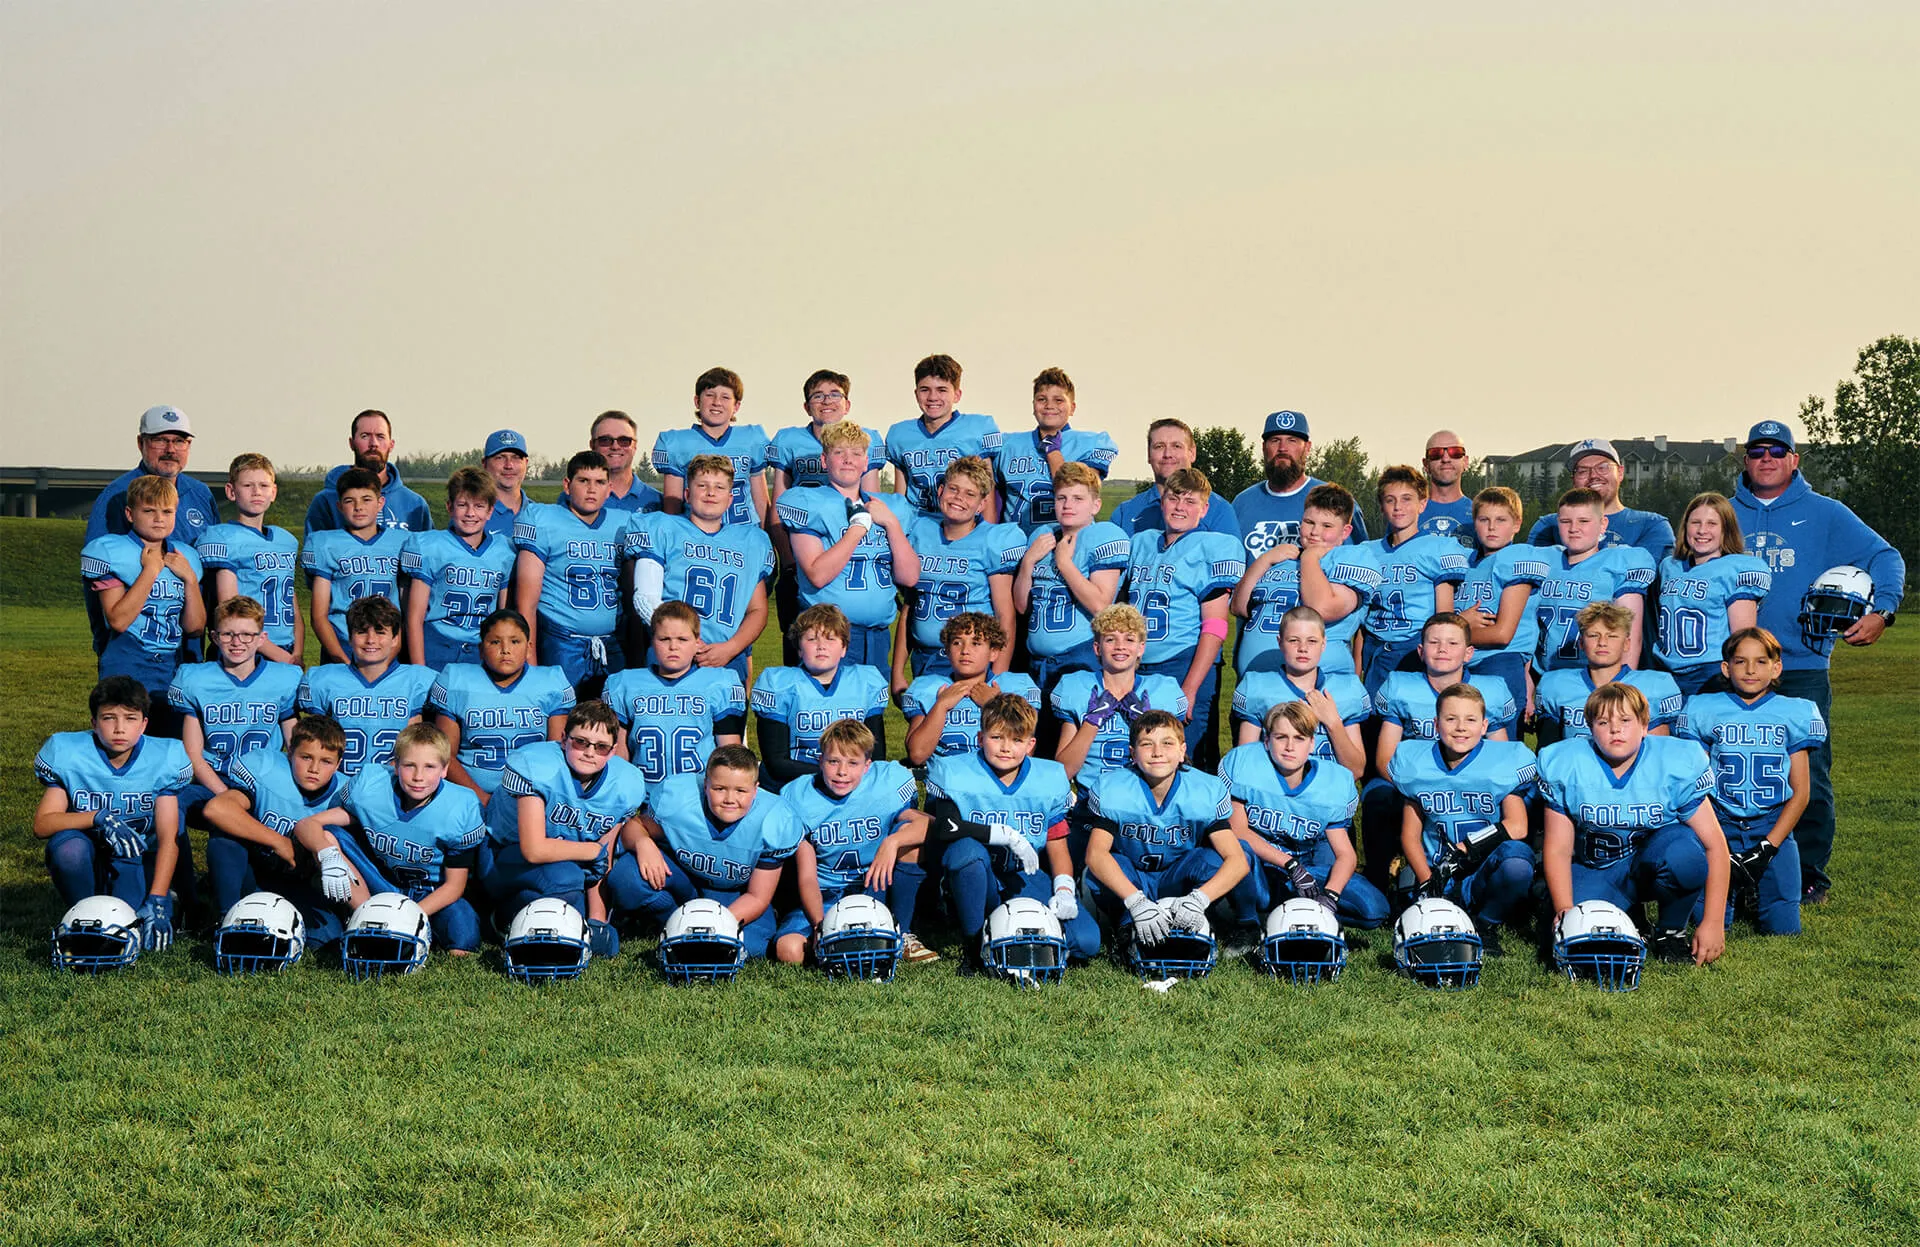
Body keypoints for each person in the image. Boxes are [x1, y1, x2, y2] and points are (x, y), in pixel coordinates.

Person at [1729, 418, 1905, 904]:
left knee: (1808, 772)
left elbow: (1885, 556)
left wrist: (1883, 611)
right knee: (1726, 767)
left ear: (1793, 459)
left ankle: (1808, 875)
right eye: (1757, 451)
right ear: (1746, 459)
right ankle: (1729, 872)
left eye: (1777, 451)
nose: (1767, 459)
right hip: (1729, 663)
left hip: (1800, 661)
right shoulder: (1722, 513)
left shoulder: (1824, 513)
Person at [1539, 683, 1729, 966]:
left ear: (1644, 725)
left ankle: (1671, 932)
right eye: (1604, 722)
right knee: (1567, 936)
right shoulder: (1567, 763)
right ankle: (1632, 915)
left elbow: (1715, 845)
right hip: (1597, 868)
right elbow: (1558, 847)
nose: (1616, 730)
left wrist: (1713, 922)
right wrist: (1565, 908)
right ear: (1590, 727)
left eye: (1625, 720)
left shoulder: (1675, 761)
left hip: (1651, 867)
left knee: (1684, 852)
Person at [924, 694, 1097, 971]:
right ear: (980, 738)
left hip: (1022, 875)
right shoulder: (954, 770)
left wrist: (1064, 888)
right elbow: (946, 827)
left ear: (1031, 745)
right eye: (997, 738)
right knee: (968, 853)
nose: (1006, 748)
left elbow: (1056, 843)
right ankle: (972, 946)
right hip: (973, 873)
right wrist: (1002, 834)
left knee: (1086, 942)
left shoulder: (1048, 778)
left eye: (1016, 740)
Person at [1677, 628, 1826, 937]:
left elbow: (1800, 794)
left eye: (1760, 662)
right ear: (1725, 667)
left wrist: (1769, 847)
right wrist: (1713, 838)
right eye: (1740, 661)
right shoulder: (1704, 708)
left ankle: (1758, 887)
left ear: (1776, 668)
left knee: (1784, 927)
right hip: (1720, 820)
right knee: (1711, 920)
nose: (1750, 670)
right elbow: (1697, 783)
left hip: (1772, 823)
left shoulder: (1795, 712)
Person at [296, 722, 486, 956]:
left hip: (430, 891)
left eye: (429, 767)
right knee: (330, 836)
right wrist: (326, 855)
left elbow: (454, 886)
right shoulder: (371, 786)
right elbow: (308, 824)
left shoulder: (461, 806)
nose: (418, 777)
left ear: (445, 769)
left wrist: (405, 916)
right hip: (381, 882)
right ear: (395, 765)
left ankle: (400, 926)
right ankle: (365, 916)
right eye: (409, 766)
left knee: (463, 942)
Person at [606, 745, 804, 962]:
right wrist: (643, 842)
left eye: (741, 791)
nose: (730, 798)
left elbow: (758, 896)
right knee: (626, 878)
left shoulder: (773, 820)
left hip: (733, 895)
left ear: (756, 790)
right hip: (685, 882)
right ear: (705, 784)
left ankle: (684, 929)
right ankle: (669, 921)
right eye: (719, 788)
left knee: (752, 946)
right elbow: (635, 826)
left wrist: (716, 924)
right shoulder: (679, 800)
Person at [33, 677, 193, 943]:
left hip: (136, 854)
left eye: (130, 718)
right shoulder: (68, 752)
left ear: (144, 724)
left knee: (132, 922)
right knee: (69, 852)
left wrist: (157, 898)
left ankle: (154, 895)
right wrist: (97, 817)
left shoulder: (166, 756)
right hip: (86, 848)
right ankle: (81, 913)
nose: (119, 729)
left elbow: (168, 839)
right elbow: (43, 824)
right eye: (109, 718)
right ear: (94, 722)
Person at [482, 701, 648, 955]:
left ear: (613, 751)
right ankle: (504, 918)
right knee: (566, 878)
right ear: (563, 739)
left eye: (601, 747)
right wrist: (591, 851)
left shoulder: (626, 783)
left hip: (570, 863)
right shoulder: (537, 765)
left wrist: (597, 920)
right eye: (581, 742)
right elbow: (534, 850)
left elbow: (603, 859)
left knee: (593, 933)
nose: (590, 752)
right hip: (504, 856)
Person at [1220, 701, 1386, 946]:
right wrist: (1289, 864)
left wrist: (1330, 895)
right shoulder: (1245, 764)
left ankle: (1307, 917)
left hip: (1306, 872)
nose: (1289, 746)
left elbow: (1346, 855)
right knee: (1239, 853)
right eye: (1280, 737)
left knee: (1373, 910)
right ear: (1266, 741)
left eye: (1299, 738)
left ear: (1312, 744)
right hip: (1258, 870)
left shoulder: (1333, 782)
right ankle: (1249, 924)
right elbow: (1238, 831)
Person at [1082, 710, 1248, 955]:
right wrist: (1135, 902)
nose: (1157, 752)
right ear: (1132, 754)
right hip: (1133, 876)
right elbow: (1095, 855)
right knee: (1109, 864)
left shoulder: (1204, 790)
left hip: (1177, 877)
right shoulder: (1114, 788)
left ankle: (1239, 923)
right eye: (1147, 744)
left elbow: (1238, 861)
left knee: (1214, 859)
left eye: (1167, 743)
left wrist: (1200, 898)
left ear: (1182, 751)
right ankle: (1127, 929)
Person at [1390, 684, 1537, 955]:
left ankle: (1485, 923)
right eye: (1451, 719)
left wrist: (1466, 849)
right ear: (1435, 724)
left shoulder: (1503, 761)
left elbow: (1518, 826)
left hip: (1482, 873)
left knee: (1517, 861)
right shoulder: (1416, 764)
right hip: (1436, 872)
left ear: (1484, 727)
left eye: (1470, 720)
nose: (1460, 727)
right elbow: (1410, 835)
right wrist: (1426, 881)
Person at [775, 720, 933, 965]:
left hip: (875, 886)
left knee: (910, 838)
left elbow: (929, 824)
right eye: (833, 761)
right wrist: (819, 926)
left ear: (867, 765)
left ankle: (902, 931)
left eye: (853, 763)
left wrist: (892, 842)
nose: (842, 772)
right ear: (820, 761)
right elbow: (807, 876)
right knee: (789, 950)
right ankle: (851, 939)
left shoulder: (886, 784)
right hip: (828, 894)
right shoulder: (798, 796)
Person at [777, 420, 920, 673]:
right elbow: (817, 574)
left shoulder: (890, 507)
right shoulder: (808, 501)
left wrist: (891, 524)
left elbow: (909, 577)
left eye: (856, 453)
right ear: (824, 460)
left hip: (876, 636)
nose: (848, 459)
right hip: (827, 635)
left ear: (866, 462)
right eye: (839, 452)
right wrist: (857, 530)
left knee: (872, 712)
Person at [1124, 468, 1246, 761]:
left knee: (1183, 759)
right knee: (1142, 756)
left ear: (1204, 509)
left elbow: (1215, 626)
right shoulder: (1141, 543)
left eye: (1190, 501)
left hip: (1183, 663)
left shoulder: (1213, 547)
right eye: (1173, 498)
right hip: (1137, 667)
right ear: (1162, 501)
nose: (1180, 507)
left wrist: (1189, 688)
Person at [625, 453, 777, 687]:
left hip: (727, 656)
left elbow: (757, 610)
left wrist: (731, 648)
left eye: (719, 487)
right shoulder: (663, 528)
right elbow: (646, 598)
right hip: (672, 657)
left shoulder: (751, 541)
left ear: (730, 498)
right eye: (702, 485)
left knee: (727, 723)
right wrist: (686, 643)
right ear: (687, 493)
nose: (710, 493)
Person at [200, 715, 351, 944]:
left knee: (325, 938)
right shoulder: (267, 768)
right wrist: (279, 841)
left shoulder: (345, 793)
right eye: (306, 757)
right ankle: (226, 918)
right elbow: (217, 809)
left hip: (299, 882)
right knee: (225, 837)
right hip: (252, 871)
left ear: (338, 764)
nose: (314, 768)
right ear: (290, 753)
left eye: (326, 761)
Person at [768, 371, 886, 653]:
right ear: (807, 406)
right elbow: (776, 511)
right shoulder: (790, 440)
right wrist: (788, 561)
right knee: (802, 642)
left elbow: (871, 503)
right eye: (817, 395)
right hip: (803, 547)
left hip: (849, 547)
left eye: (835, 394)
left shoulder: (864, 440)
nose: (826, 400)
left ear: (847, 404)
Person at [168, 596, 302, 822]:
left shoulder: (284, 678)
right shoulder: (196, 680)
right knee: (169, 803)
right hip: (213, 779)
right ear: (214, 637)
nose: (237, 642)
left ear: (262, 639)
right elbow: (194, 754)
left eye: (247, 634)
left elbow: (294, 745)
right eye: (228, 634)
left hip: (264, 780)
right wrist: (225, 794)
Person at [896, 456, 1024, 686]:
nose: (959, 498)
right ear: (941, 490)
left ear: (982, 504)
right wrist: (897, 672)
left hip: (971, 660)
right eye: (953, 489)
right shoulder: (920, 530)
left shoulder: (992, 540)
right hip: (924, 656)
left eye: (970, 494)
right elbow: (909, 607)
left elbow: (1006, 614)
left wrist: (999, 675)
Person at [1231, 482, 1378, 680]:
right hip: (1256, 684)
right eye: (1309, 522)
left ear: (1345, 532)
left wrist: (1309, 557)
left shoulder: (1349, 558)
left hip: (1315, 687)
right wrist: (1264, 560)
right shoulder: (1283, 558)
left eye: (1327, 526)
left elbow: (1322, 608)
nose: (1315, 532)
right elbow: (1239, 607)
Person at [429, 609, 574, 806]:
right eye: (495, 642)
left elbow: (555, 754)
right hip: (469, 796)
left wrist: (529, 801)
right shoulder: (456, 680)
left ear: (529, 648)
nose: (505, 649)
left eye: (515, 641)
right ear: (480, 649)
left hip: (533, 797)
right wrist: (481, 799)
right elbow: (445, 755)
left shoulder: (551, 682)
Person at [82, 473, 205, 700]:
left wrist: (189, 579)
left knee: (171, 733)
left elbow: (195, 627)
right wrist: (150, 571)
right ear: (130, 514)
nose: (159, 518)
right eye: (149, 511)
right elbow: (118, 621)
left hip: (172, 663)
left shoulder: (185, 556)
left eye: (167, 511)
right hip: (128, 659)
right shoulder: (111, 551)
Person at [513, 449, 627, 691]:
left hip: (611, 642)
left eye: (599, 482)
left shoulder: (624, 523)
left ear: (609, 488)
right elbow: (527, 603)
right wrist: (529, 659)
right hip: (561, 641)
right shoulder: (542, 519)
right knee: (559, 717)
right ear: (567, 485)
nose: (591, 489)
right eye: (583, 481)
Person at [1014, 463, 1130, 697]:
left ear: (1095, 505)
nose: (1068, 505)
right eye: (1061, 498)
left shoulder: (1103, 535)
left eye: (1078, 498)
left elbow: (1101, 605)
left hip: (1079, 659)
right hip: (1038, 662)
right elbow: (1021, 606)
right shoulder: (1042, 536)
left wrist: (1064, 563)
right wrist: (1027, 563)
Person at [601, 601, 746, 785]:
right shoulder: (625, 684)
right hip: (642, 795)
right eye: (664, 639)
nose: (673, 646)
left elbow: (730, 750)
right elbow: (619, 754)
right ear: (652, 641)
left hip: (698, 795)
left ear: (697, 642)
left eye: (682, 639)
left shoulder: (718, 683)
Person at [750, 605, 892, 787]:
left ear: (844, 648)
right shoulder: (779, 685)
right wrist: (833, 775)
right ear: (799, 648)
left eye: (831, 639)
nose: (821, 646)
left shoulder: (865, 682)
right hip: (793, 787)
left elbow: (876, 756)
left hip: (851, 786)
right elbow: (777, 763)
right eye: (811, 639)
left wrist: (844, 778)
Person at [1356, 466, 1468, 694]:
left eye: (1407, 499)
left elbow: (1443, 616)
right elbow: (1362, 617)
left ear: (1422, 504)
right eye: (1390, 500)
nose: (1398, 507)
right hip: (1374, 647)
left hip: (1413, 648)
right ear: (1381, 506)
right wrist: (1356, 667)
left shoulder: (1437, 547)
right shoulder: (1367, 551)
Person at [297, 596, 437, 776]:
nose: (371, 640)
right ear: (350, 638)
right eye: (362, 631)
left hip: (395, 784)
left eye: (380, 632)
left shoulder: (418, 680)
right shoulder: (324, 680)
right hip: (337, 782)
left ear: (395, 638)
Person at [1052, 605, 1189, 787]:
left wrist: (1145, 723)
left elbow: (1177, 762)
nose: (1120, 647)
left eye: (1129, 639)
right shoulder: (1077, 687)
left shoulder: (1162, 690)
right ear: (1097, 648)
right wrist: (1092, 721)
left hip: (1144, 795)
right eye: (1110, 639)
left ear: (1141, 648)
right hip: (1091, 799)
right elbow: (1063, 771)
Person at [1228, 606, 1369, 777]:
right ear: (1280, 642)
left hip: (1327, 794)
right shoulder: (1258, 687)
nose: (1303, 648)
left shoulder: (1346, 689)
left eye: (1312, 641)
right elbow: (1246, 764)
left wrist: (1333, 723)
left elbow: (1356, 770)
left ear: (1323, 644)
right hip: (1274, 793)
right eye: (1294, 640)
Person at [1452, 487, 1548, 737]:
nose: (1491, 527)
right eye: (1484, 519)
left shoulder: (1516, 558)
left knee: (1500, 746)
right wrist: (1461, 624)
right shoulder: (1465, 562)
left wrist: (1456, 632)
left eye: (1501, 520)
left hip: (1499, 661)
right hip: (1462, 662)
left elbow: (1503, 634)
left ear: (1517, 524)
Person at [1654, 492, 1772, 697]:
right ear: (1685, 526)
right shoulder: (1669, 566)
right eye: (1695, 522)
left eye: (1711, 524)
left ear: (1726, 529)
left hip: (1711, 672)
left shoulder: (1736, 568)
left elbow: (1742, 639)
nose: (1702, 531)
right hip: (1666, 671)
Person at [1531, 488, 1656, 674]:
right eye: (1566, 521)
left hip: (1595, 674)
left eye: (1584, 521)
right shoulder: (1543, 560)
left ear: (1603, 524)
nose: (1574, 528)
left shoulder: (1619, 563)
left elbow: (1631, 636)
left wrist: (1619, 686)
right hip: (1544, 675)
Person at [403, 468, 514, 672]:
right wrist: (419, 669)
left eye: (479, 506)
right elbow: (414, 616)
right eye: (462, 505)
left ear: (490, 511)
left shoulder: (504, 551)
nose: (470, 513)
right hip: (437, 644)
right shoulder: (431, 546)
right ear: (449, 507)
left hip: (483, 648)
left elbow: (504, 615)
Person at [199, 453, 302, 664]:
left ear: (273, 492)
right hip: (244, 649)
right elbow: (230, 609)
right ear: (231, 491)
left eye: (264, 486)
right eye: (248, 485)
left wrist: (297, 653)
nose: (257, 492)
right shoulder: (222, 537)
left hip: (287, 647)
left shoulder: (286, 541)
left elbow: (293, 605)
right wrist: (281, 656)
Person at [1535, 602, 1683, 747]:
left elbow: (1656, 753)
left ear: (1626, 644)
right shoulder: (1557, 685)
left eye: (1611, 636)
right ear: (1581, 643)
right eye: (1593, 635)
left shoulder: (1655, 687)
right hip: (1577, 769)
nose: (1602, 642)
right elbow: (1550, 752)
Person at [902, 613, 1043, 765]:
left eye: (976, 643)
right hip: (948, 780)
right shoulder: (931, 688)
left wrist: (997, 705)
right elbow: (917, 755)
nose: (965, 651)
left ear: (993, 652)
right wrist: (941, 706)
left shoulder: (1014, 687)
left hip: (997, 779)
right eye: (957, 643)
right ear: (947, 651)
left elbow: (1026, 752)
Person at [1231, 409, 1368, 562]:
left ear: (1308, 447)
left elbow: (1358, 565)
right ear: (1264, 447)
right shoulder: (1242, 503)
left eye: (1292, 440)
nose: (1283, 448)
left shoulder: (1333, 500)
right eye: (1275, 440)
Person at [302, 467, 407, 665]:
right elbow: (319, 615)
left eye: (366, 499)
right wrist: (341, 659)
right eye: (350, 501)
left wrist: (388, 659)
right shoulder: (325, 543)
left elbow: (405, 612)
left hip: (387, 648)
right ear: (339, 506)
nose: (358, 507)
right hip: (341, 645)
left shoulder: (403, 543)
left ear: (380, 503)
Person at [994, 367, 1117, 532]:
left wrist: (1052, 452)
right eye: (1042, 399)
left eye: (1058, 400)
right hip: (1015, 544)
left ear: (1072, 408)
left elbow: (1078, 489)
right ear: (1033, 405)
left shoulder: (1091, 442)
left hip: (1069, 542)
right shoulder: (1008, 444)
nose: (1049, 405)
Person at [885, 354, 1003, 526]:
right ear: (916, 394)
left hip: (964, 526)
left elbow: (988, 490)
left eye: (942, 390)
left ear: (957, 395)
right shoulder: (900, 434)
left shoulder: (977, 429)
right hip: (916, 525)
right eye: (925, 389)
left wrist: (986, 532)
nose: (933, 397)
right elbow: (900, 496)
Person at [654, 367, 772, 527]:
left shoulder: (752, 439)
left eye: (725, 397)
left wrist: (765, 538)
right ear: (697, 401)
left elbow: (761, 501)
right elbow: (672, 507)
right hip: (696, 536)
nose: (717, 402)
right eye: (710, 395)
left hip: (744, 534)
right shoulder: (677, 443)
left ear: (736, 406)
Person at [85, 405, 217, 547]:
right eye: (160, 440)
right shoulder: (118, 493)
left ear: (189, 445)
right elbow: (97, 555)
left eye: (179, 441)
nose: (170, 450)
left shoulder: (201, 493)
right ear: (141, 443)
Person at [1527, 438, 1674, 560]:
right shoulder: (1549, 526)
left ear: (1620, 473)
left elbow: (1649, 581)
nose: (1593, 476)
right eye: (1582, 471)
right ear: (1573, 479)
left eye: (1603, 467)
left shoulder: (1651, 526)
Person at [303, 409, 433, 535]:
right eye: (365, 436)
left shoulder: (415, 504)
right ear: (351, 443)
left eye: (380, 436)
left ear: (391, 444)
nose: (373, 444)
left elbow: (428, 553)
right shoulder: (325, 501)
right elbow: (315, 552)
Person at [1109, 418, 1240, 538]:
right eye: (1159, 446)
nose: (1167, 454)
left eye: (1176, 446)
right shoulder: (1124, 513)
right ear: (1149, 454)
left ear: (1192, 453)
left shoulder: (1219, 510)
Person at [588, 411, 665, 515]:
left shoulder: (659, 503)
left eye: (624, 440)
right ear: (592, 445)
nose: (615, 447)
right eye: (605, 440)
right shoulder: (573, 500)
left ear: (634, 446)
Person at [1416, 431, 1474, 542]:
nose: (1446, 459)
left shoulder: (1481, 515)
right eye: (1436, 453)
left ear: (1465, 462)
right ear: (1425, 464)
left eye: (1455, 452)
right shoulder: (1406, 512)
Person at [481, 429, 535, 539]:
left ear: (526, 463)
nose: (509, 465)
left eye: (516, 458)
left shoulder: (539, 515)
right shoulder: (472, 517)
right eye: (500, 457)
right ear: (484, 464)